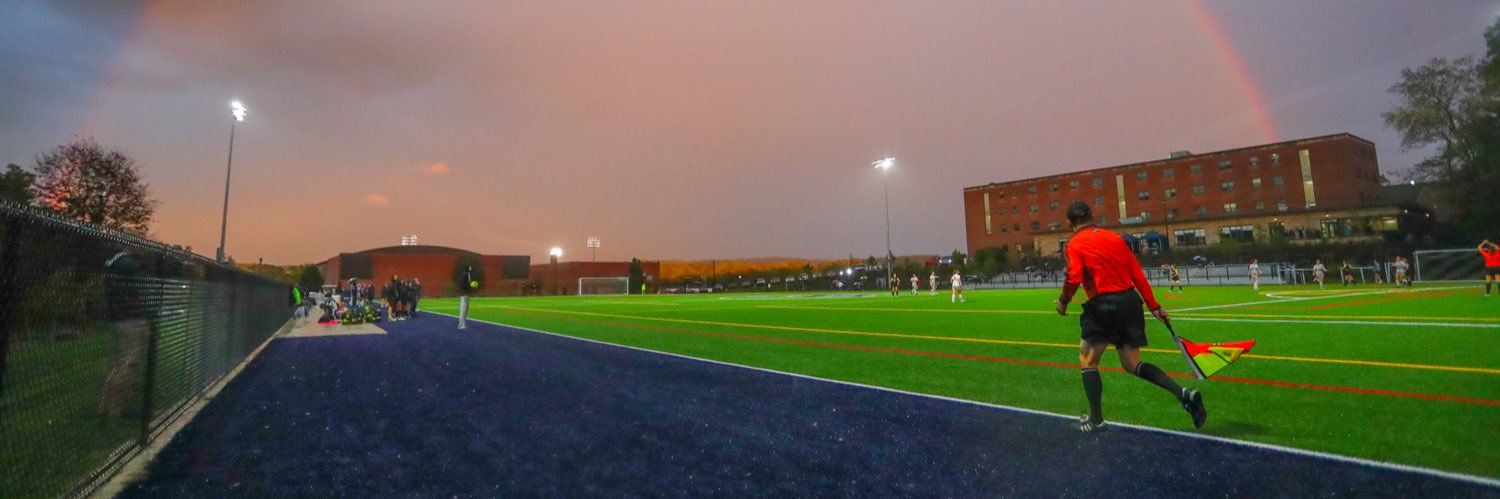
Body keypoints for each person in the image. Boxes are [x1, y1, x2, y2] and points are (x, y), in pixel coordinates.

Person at [1052, 201, 1205, 433]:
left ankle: (1096, 420)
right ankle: (1183, 393)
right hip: (1130, 302)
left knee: (1088, 360)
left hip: (1103, 305)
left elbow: (1074, 276)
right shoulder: (1115, 238)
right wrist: (1154, 306)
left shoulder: (1074, 243)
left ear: (1068, 222)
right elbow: (1137, 275)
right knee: (1132, 364)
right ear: (1092, 216)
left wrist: (1063, 301)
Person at [100, 246, 151, 417]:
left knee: (118, 363)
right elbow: (143, 291)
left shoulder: (114, 262)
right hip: (132, 318)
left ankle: (106, 406)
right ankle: (117, 409)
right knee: (129, 363)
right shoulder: (132, 265)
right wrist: (150, 312)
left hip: (117, 318)